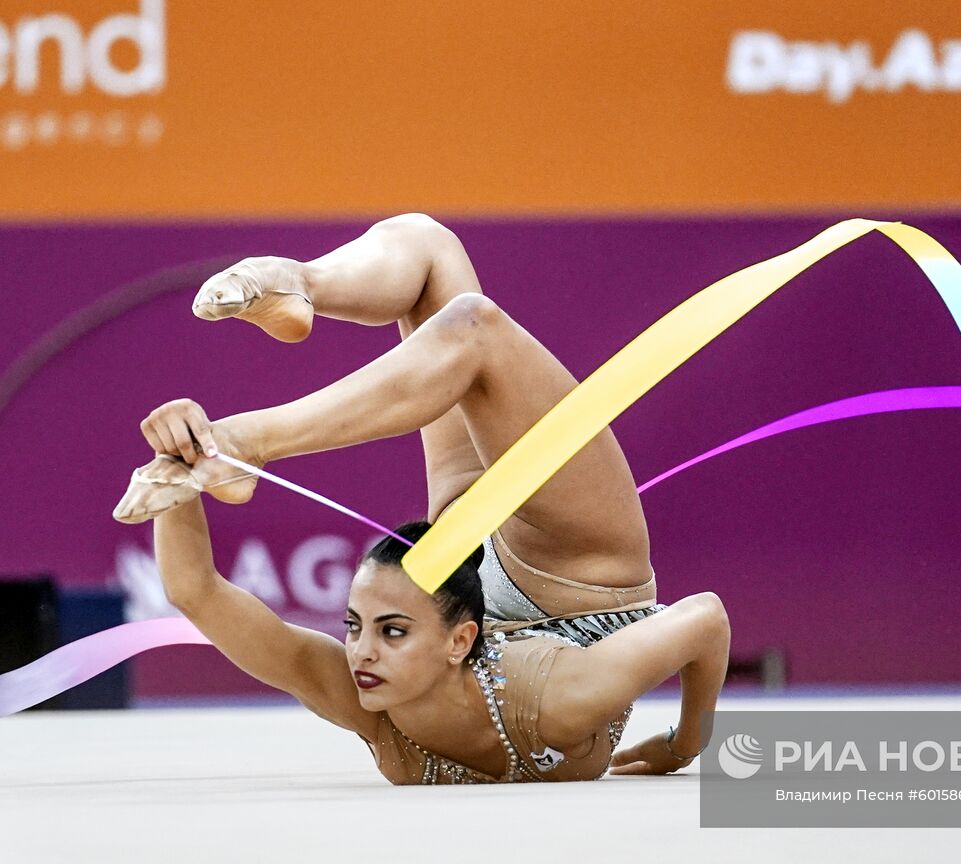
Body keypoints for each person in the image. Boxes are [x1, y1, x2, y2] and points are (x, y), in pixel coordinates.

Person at [114, 213, 730, 782]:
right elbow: (703, 616)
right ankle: (275, 349)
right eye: (361, 627)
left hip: (462, 561)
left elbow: (194, 591)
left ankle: (293, 295)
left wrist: (182, 468)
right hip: (575, 571)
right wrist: (686, 742)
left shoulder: (372, 708)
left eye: (383, 630)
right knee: (473, 327)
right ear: (460, 642)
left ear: (457, 641)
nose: (360, 652)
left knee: (428, 246)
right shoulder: (556, 702)